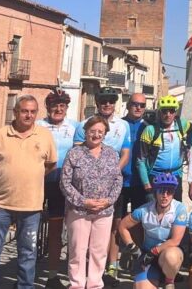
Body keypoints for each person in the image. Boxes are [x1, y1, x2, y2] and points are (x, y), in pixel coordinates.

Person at [0, 94, 57, 289]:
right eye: (24, 111)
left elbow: (51, 165)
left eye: (32, 112)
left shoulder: (44, 135)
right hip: (0, 205)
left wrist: (31, 178)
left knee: (28, 252)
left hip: (31, 205)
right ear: (15, 112)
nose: (28, 115)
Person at [74, 87, 131, 280]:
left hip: (112, 183)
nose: (107, 104)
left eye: (111, 101)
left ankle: (111, 266)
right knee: (85, 231)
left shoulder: (123, 125)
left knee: (113, 225)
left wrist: (111, 173)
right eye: (103, 100)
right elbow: (77, 153)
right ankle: (85, 271)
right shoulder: (83, 124)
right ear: (97, 103)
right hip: (87, 187)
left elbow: (125, 153)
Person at [60, 115, 123, 289]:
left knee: (99, 252)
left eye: (100, 132)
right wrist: (83, 201)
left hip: (104, 211)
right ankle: (77, 284)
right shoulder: (74, 153)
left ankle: (95, 284)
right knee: (77, 251)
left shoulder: (111, 154)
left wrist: (109, 201)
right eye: (92, 131)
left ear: (105, 134)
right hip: (79, 211)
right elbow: (65, 182)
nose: (96, 135)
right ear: (85, 132)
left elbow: (118, 180)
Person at [37, 88, 81, 288]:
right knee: (35, 229)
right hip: (39, 180)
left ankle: (59, 275)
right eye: (54, 105)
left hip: (65, 182)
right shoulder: (38, 125)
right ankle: (36, 274)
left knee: (64, 231)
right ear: (48, 107)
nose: (59, 109)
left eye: (62, 106)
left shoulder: (75, 126)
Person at [117, 173, 189, 289]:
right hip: (147, 256)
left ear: (173, 193)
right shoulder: (144, 210)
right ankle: (155, 276)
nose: (165, 195)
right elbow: (122, 226)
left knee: (172, 256)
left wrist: (154, 251)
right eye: (161, 191)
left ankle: (169, 281)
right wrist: (133, 248)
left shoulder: (179, 209)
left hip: (167, 253)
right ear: (155, 192)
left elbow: (175, 240)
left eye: (169, 191)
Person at [111, 92, 150, 280]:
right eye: (135, 104)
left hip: (140, 183)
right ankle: (113, 264)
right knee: (116, 223)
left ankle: (136, 261)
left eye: (142, 105)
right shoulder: (119, 125)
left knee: (138, 223)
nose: (138, 108)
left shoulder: (149, 127)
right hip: (120, 180)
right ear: (128, 105)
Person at [135, 96, 192, 201]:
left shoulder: (182, 124)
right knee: (154, 212)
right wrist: (146, 183)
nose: (168, 115)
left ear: (175, 112)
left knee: (175, 210)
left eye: (171, 111)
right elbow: (140, 159)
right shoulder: (150, 130)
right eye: (164, 111)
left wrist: (188, 146)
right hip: (155, 176)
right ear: (159, 112)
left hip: (176, 175)